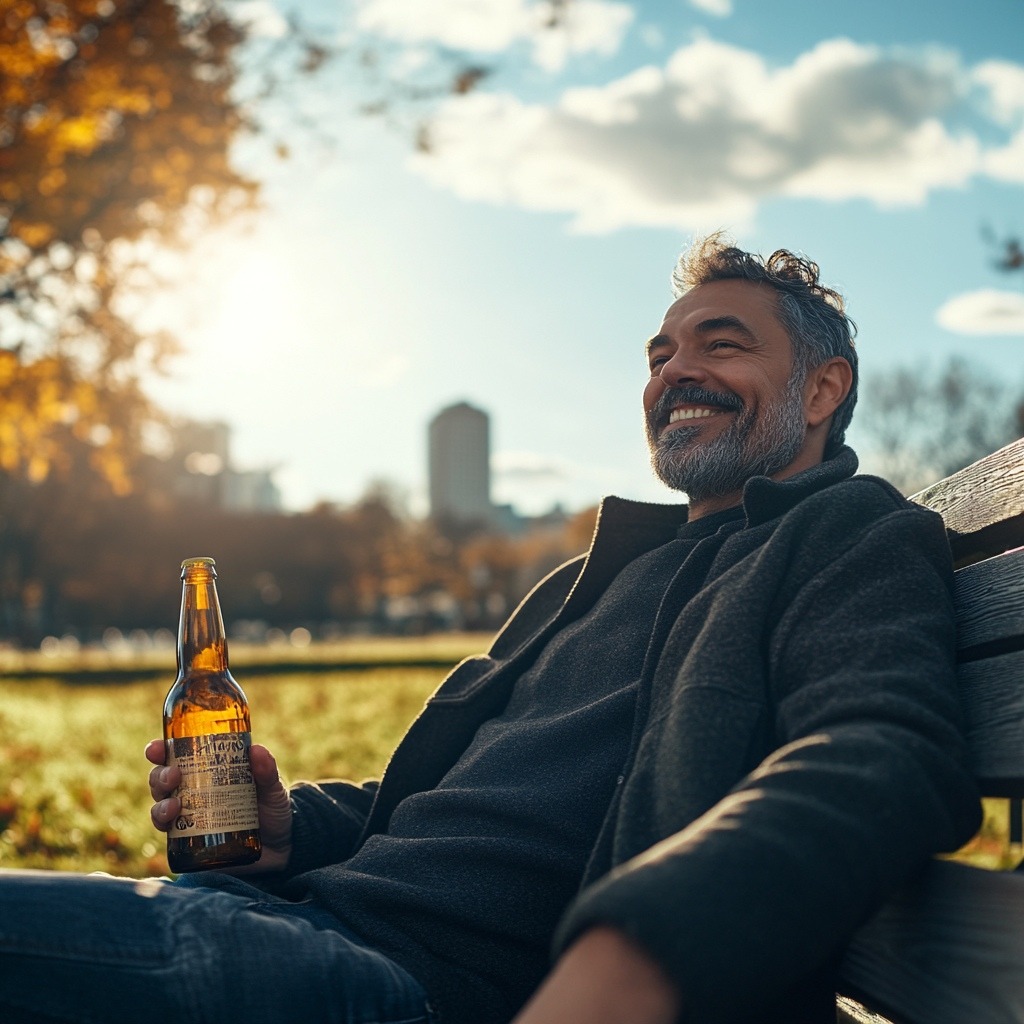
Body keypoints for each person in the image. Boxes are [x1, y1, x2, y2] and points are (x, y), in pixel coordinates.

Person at [0, 236, 981, 1024]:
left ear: (820, 390)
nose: (674, 372)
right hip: (290, 914)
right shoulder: (587, 579)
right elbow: (442, 804)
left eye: (720, 344)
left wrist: (635, 954)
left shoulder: (845, 537)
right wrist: (297, 827)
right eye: (659, 355)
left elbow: (878, 753)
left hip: (417, 985)